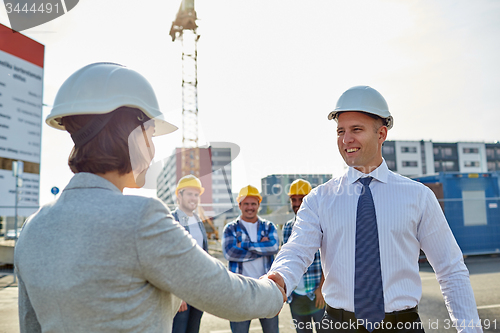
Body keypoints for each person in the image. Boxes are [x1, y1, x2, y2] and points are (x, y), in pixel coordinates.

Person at [14, 63, 285, 333]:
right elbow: (225, 294)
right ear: (132, 135)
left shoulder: (32, 227)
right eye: (151, 134)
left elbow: (30, 325)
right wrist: (274, 290)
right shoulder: (141, 216)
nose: (153, 149)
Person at [268, 86, 482, 333]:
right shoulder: (319, 199)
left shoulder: (419, 197)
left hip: (402, 326)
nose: (346, 139)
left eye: (356, 130)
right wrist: (279, 278)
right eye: (341, 131)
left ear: (381, 134)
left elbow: (451, 269)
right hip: (338, 326)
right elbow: (296, 251)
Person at [222, 185, 280, 333]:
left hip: (266, 289)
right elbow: (230, 253)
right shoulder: (230, 228)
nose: (250, 207)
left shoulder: (269, 226)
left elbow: (273, 247)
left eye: (253, 203)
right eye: (246, 203)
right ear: (239, 205)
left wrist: (245, 245)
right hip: (240, 291)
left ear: (259, 205)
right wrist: (261, 250)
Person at [283, 179, 326, 333]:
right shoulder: (288, 227)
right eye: (293, 199)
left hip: (317, 295)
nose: (297, 203)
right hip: (296, 296)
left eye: (301, 199)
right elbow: (288, 259)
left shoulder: (322, 223)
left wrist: (321, 288)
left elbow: (329, 260)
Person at [172, 174, 208, 333]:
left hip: (199, 291)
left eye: (196, 194)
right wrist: (177, 295)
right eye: (189, 194)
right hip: (180, 293)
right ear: (179, 195)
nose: (194, 198)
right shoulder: (171, 220)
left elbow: (204, 256)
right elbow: (167, 261)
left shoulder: (198, 221)